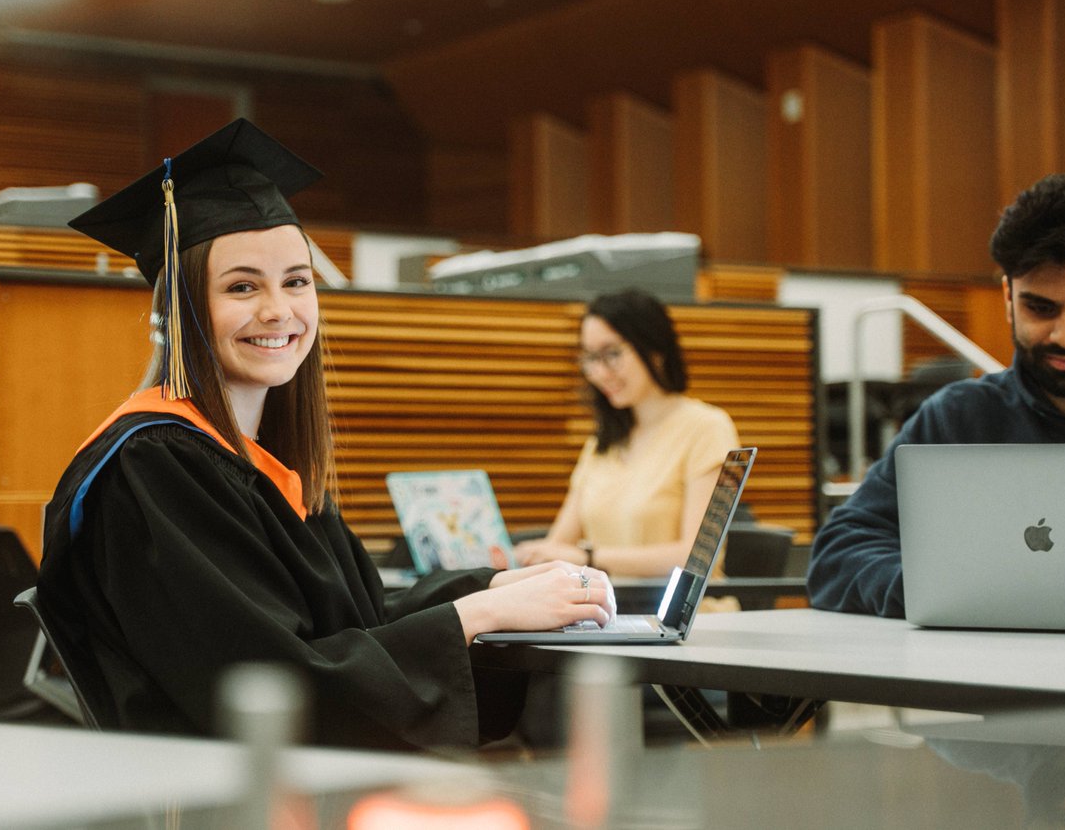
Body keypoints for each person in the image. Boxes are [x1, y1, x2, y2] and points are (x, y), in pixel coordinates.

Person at [37, 118, 615, 751]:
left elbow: (359, 624)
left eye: (297, 280)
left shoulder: (259, 463)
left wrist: (493, 589)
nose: (279, 310)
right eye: (241, 286)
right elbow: (272, 689)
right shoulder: (156, 465)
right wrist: (482, 617)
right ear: (178, 308)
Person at [808, 172, 1065, 617]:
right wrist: (935, 591)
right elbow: (838, 554)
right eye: (1040, 308)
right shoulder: (957, 418)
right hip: (987, 678)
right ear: (1008, 297)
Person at [514, 288, 740, 577]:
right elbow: (559, 544)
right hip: (609, 615)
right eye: (590, 358)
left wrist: (587, 557)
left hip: (684, 617)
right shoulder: (602, 442)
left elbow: (694, 558)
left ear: (654, 349)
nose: (600, 372)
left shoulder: (706, 427)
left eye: (612, 354)